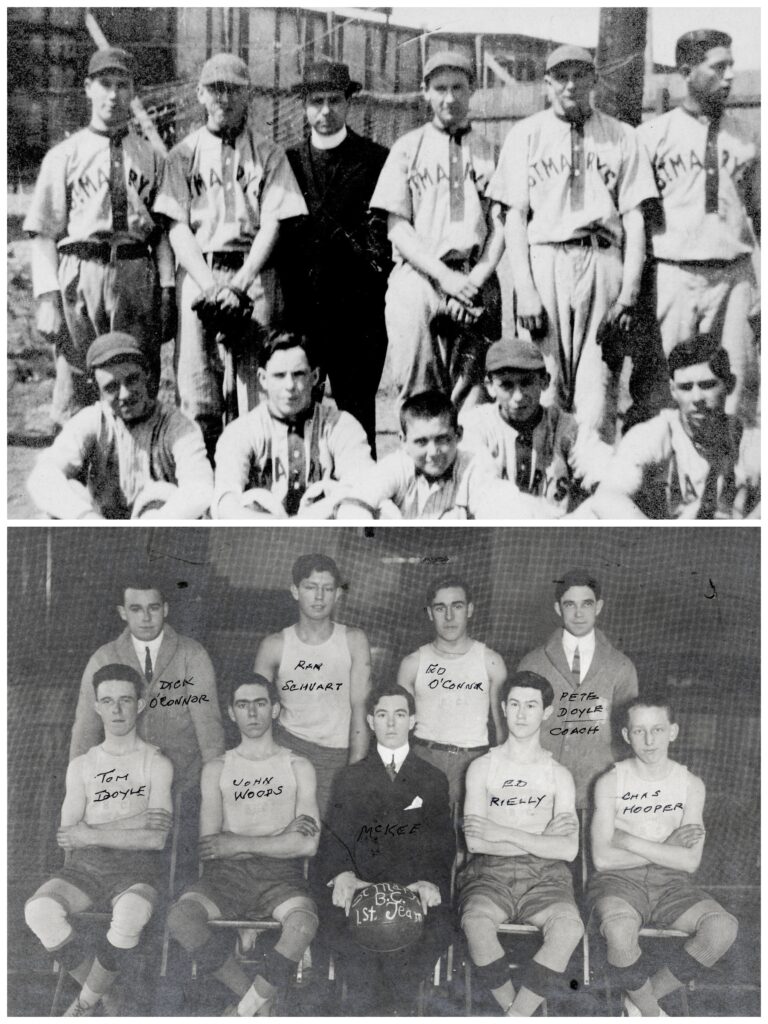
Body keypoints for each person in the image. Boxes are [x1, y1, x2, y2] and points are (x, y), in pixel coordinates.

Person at [488, 45, 657, 448]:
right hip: (546, 259)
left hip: (602, 260)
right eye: (561, 76)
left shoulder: (622, 136)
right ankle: (547, 493)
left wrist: (629, 293)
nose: (571, 84)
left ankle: (594, 498)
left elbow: (635, 218)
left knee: (597, 394)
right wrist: (525, 290)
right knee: (542, 388)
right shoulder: (525, 135)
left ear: (594, 80)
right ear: (546, 84)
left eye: (580, 75)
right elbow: (514, 217)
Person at [154, 53, 308, 458]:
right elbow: (176, 227)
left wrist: (238, 286)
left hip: (254, 271)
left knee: (256, 386)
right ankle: (202, 479)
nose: (225, 98)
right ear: (201, 94)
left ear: (249, 95)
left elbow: (274, 222)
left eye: (234, 89)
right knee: (196, 384)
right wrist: (208, 285)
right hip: (199, 268)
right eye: (216, 89)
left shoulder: (269, 153)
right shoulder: (182, 154)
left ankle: (253, 477)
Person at [22, 46, 175, 426]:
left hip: (135, 275)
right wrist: (47, 300)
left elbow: (164, 234)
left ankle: (140, 478)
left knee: (136, 380)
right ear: (88, 88)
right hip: (81, 271)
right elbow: (43, 234)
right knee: (77, 382)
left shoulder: (153, 157)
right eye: (105, 84)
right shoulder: (64, 155)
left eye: (122, 85)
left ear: (133, 91)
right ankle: (78, 480)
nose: (113, 94)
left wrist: (168, 291)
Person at [25, 664, 173, 1016]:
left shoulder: (157, 762)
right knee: (38, 910)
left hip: (137, 871)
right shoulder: (82, 765)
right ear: (97, 706)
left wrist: (93, 830)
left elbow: (156, 840)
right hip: (86, 868)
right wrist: (134, 824)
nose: (117, 709)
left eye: (125, 700)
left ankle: (84, 1004)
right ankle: (111, 997)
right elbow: (67, 834)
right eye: (108, 701)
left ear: (140, 703)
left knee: (132, 910)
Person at [167, 675, 320, 1016]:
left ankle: (242, 1013)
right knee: (181, 918)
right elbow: (212, 847)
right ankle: (255, 1001)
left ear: (276, 710)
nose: (252, 712)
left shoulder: (298, 766)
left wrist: (237, 841)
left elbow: (306, 846)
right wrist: (281, 836)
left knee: (302, 924)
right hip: (227, 877)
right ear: (231, 713)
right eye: (242, 704)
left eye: (261, 703)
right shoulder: (218, 768)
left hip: (281, 878)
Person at [638, 29, 760, 427]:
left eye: (731, 67)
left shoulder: (747, 134)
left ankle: (739, 482)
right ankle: (681, 479)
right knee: (677, 383)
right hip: (676, 274)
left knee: (740, 384)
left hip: (734, 275)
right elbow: (640, 218)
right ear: (686, 71)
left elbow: (759, 212)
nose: (728, 77)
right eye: (718, 67)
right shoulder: (653, 136)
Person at [370, 50, 504, 408]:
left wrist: (476, 279)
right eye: (440, 88)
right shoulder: (407, 148)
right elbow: (397, 227)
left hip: (476, 276)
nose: (450, 97)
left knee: (474, 393)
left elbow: (499, 226)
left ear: (472, 89)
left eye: (458, 87)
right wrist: (445, 278)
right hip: (420, 276)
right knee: (418, 390)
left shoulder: (490, 150)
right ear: (425, 92)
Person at [590, 695, 739, 1016]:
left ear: (673, 731)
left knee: (722, 928)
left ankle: (641, 1002)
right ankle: (654, 1015)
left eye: (657, 729)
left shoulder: (690, 785)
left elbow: (689, 861)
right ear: (626, 735)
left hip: (672, 884)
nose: (649, 740)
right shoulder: (610, 781)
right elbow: (602, 860)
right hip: (618, 882)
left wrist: (628, 839)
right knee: (618, 930)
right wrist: (667, 847)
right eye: (639, 731)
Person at [319, 683, 453, 1015]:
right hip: (361, 888)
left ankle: (398, 1008)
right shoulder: (349, 778)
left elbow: (442, 843)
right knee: (344, 934)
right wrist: (343, 874)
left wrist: (429, 881)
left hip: (412, 888)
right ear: (370, 720)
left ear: (413, 721)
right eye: (382, 715)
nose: (391, 723)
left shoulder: (433, 779)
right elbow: (334, 839)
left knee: (436, 928)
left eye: (399, 715)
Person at [459, 671, 584, 1016]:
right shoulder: (482, 767)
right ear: (503, 708)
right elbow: (475, 842)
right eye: (514, 704)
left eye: (531, 705)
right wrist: (542, 838)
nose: (521, 713)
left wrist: (505, 832)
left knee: (570, 927)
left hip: (546, 877)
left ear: (546, 712)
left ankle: (516, 1017)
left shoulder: (559, 775)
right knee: (476, 924)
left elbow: (567, 850)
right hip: (490, 874)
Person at [282, 60, 390, 453]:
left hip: (357, 315)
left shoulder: (376, 159)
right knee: (297, 413)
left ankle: (360, 500)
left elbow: (384, 237)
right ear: (304, 106)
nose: (325, 111)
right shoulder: (287, 161)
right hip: (301, 311)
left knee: (358, 417)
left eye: (334, 100)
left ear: (349, 102)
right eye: (316, 102)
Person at [26, 332, 213, 520]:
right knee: (66, 497)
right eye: (111, 387)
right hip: (102, 533)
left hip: (157, 531)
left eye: (132, 379)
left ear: (147, 375)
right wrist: (86, 517)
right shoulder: (94, 420)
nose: (125, 395)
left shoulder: (176, 425)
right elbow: (42, 476)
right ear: (97, 388)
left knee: (162, 494)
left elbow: (200, 488)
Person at [253, 554, 372, 821]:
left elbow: (359, 710)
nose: (319, 597)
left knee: (328, 843)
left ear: (337, 594)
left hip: (336, 758)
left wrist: (354, 773)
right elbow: (256, 712)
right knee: (282, 835)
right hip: (288, 751)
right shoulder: (274, 645)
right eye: (310, 587)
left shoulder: (354, 641)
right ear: (295, 591)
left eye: (327, 589)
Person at [589, 337, 760, 519]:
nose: (696, 398)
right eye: (686, 388)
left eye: (707, 385)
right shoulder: (655, 435)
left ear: (730, 384)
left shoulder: (750, 443)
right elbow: (606, 499)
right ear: (673, 390)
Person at [212, 331, 374, 520]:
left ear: (314, 377)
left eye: (298, 374)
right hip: (260, 536)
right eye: (279, 376)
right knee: (256, 498)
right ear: (263, 379)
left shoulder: (340, 425)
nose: (289, 385)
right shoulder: (242, 431)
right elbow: (225, 502)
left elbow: (365, 487)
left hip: (326, 536)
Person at [517, 570, 638, 809]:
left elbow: (630, 735)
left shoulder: (621, 666)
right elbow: (518, 729)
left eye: (587, 604)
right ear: (557, 608)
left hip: (598, 791)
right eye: (570, 604)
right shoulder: (532, 663)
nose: (579, 613)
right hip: (542, 789)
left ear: (599, 606)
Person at [335, 390, 542, 520]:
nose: (433, 453)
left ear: (459, 435)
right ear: (403, 441)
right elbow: (352, 506)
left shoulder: (474, 465)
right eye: (421, 442)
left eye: (442, 439)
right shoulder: (397, 465)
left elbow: (503, 510)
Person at [460, 336, 611, 513]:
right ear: (490, 386)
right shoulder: (476, 425)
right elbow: (484, 492)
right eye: (507, 385)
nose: (518, 396)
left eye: (526, 383)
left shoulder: (564, 425)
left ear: (544, 381)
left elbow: (605, 467)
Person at [396, 576, 507, 806]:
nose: (449, 617)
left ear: (470, 610)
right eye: (440, 608)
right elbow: (397, 732)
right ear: (429, 613)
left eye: (457, 606)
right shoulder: (412, 663)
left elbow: (502, 731)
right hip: (424, 760)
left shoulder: (491, 661)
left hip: (474, 763)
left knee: (467, 839)